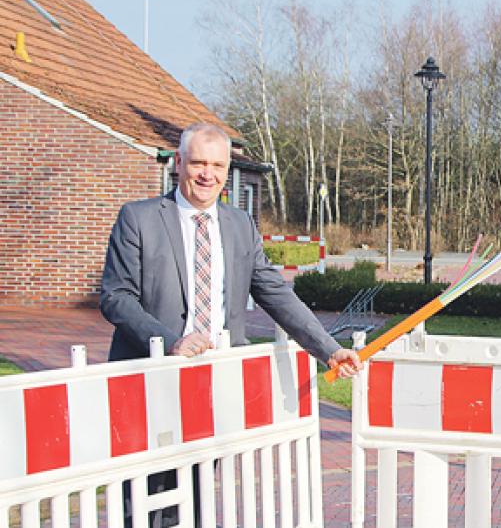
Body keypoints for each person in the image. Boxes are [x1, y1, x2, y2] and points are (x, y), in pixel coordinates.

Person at [100, 122, 362, 527]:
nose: (208, 174)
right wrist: (170, 341)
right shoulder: (139, 218)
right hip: (150, 380)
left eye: (217, 165)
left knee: (196, 491)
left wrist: (328, 349)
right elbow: (116, 296)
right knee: (143, 495)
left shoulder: (240, 224)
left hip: (213, 383)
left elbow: (275, 293)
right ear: (179, 163)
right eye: (198, 163)